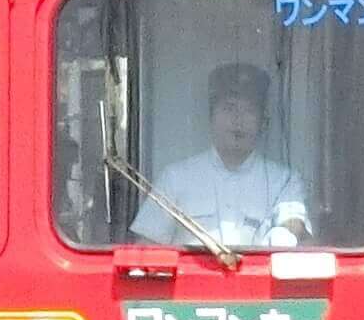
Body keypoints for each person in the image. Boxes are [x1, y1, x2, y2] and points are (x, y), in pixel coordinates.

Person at [131, 61, 312, 248]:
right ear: (211, 116)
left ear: (262, 121)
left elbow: (294, 224)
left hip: (256, 276)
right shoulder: (176, 177)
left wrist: (284, 234)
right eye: (229, 108)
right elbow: (146, 246)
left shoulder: (284, 181)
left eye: (249, 110)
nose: (238, 120)